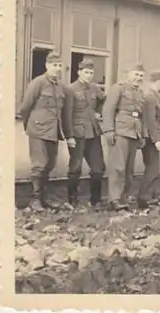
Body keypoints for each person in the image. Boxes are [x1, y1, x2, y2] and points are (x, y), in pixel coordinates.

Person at [18, 51, 68, 210]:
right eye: (54, 65)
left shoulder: (60, 87)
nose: (57, 68)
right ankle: (35, 200)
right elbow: (25, 107)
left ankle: (44, 198)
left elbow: (62, 110)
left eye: (60, 66)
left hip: (53, 132)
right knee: (39, 165)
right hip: (38, 130)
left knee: (50, 164)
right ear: (47, 66)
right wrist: (30, 126)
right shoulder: (37, 83)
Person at [102, 63, 147, 211]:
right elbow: (108, 109)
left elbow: (142, 116)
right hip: (120, 131)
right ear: (129, 74)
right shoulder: (119, 88)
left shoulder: (140, 93)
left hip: (134, 133)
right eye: (136, 74)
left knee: (129, 169)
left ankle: (123, 198)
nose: (138, 78)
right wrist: (108, 130)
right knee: (118, 167)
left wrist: (142, 135)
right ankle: (113, 199)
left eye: (141, 75)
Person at [62, 58, 106, 208]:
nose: (89, 75)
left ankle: (96, 200)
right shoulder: (70, 89)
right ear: (79, 72)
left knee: (98, 168)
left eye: (91, 72)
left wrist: (99, 113)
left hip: (93, 132)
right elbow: (66, 114)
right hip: (77, 133)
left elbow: (103, 101)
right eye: (86, 72)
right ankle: (72, 199)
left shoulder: (95, 88)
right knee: (75, 167)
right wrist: (69, 136)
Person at [137, 70, 160, 209]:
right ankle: (144, 198)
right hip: (150, 138)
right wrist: (157, 140)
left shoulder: (154, 96)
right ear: (159, 82)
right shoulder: (150, 97)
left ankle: (148, 196)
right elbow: (150, 120)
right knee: (152, 168)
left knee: (152, 167)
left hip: (151, 137)